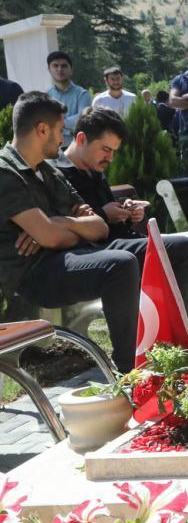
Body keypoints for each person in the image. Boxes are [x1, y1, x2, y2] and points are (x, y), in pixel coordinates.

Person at [58, 107, 188, 339]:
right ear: (81, 139)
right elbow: (73, 226)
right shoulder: (60, 175)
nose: (111, 158)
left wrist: (129, 212)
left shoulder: (94, 168)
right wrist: (105, 215)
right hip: (105, 255)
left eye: (114, 151)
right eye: (106, 149)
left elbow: (103, 214)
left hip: (130, 242)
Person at [0, 94, 137, 370]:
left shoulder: (49, 171)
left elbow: (98, 226)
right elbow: (52, 236)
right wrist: (59, 230)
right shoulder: (5, 173)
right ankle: (130, 368)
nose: (63, 138)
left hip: (68, 257)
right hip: (33, 276)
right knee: (120, 265)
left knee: (156, 250)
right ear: (42, 129)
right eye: (60, 129)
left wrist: (55, 225)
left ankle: (175, 342)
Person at [45, 52, 91, 146]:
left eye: (64, 66)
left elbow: (82, 121)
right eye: (55, 66)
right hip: (51, 148)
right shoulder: (46, 96)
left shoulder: (83, 94)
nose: (60, 69)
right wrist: (68, 124)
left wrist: (56, 123)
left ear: (71, 70)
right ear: (49, 69)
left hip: (76, 148)